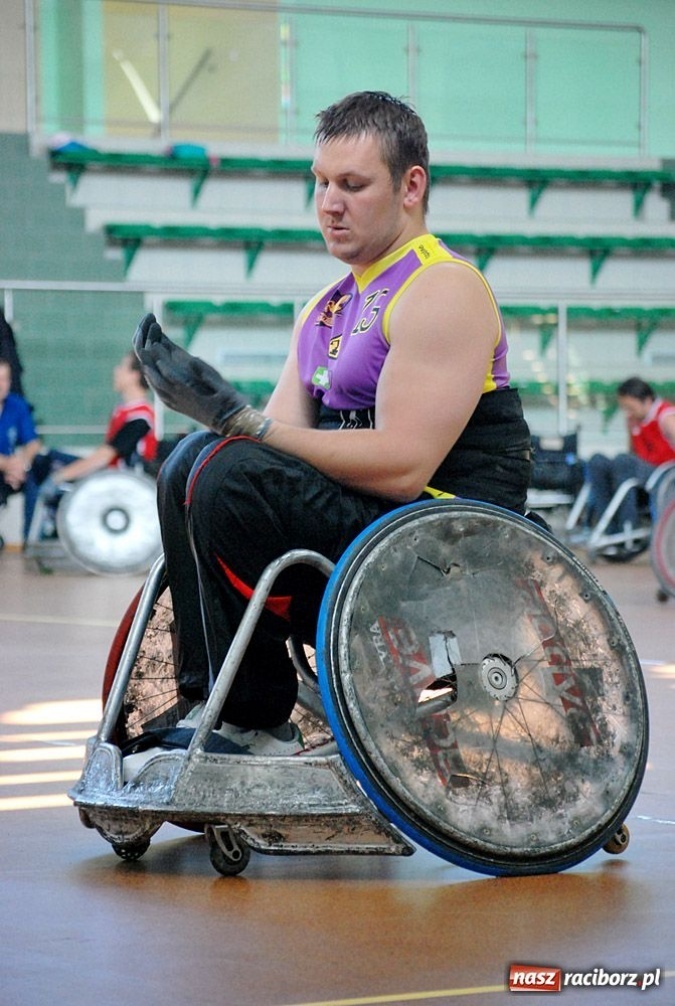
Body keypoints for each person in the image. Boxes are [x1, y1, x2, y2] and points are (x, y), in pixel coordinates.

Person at [131, 90, 533, 761]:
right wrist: (220, 423)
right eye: (319, 183)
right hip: (365, 526)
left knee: (228, 463)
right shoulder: (323, 307)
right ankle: (224, 707)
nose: (328, 203)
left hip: (444, 541)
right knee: (192, 458)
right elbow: (276, 456)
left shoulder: (442, 288)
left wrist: (244, 425)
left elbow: (405, 469)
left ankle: (255, 719)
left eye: (351, 184)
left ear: (411, 186)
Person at [33, 352, 157, 537]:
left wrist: (58, 477)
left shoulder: (140, 417)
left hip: (123, 483)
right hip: (110, 474)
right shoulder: (124, 410)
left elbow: (103, 457)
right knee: (45, 459)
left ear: (134, 375)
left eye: (122, 366)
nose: (116, 371)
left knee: (50, 468)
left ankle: (42, 531)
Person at [586, 377, 675, 535]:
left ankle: (628, 526)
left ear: (646, 401)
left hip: (664, 475)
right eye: (624, 408)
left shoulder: (666, 417)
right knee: (596, 461)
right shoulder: (633, 420)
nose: (627, 412)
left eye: (630, 407)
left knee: (623, 460)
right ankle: (607, 527)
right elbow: (632, 453)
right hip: (641, 471)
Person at [0, 356, 42, 541]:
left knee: (34, 477)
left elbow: (32, 442)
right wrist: (8, 465)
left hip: (11, 472)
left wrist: (22, 465)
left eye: (4, 379)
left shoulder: (16, 405)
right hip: (6, 468)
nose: (1, 385)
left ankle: (29, 539)